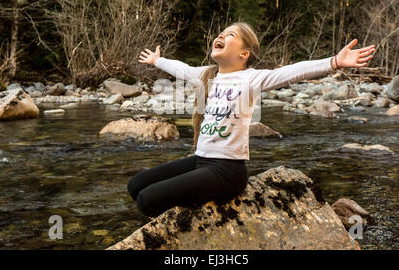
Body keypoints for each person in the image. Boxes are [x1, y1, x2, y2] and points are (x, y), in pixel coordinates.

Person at [127, 21, 375, 218]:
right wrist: (157, 60)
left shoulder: (251, 79)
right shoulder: (207, 75)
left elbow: (292, 72)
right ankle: (191, 199)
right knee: (136, 186)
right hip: (201, 161)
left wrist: (333, 62)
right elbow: (180, 68)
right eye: (222, 33)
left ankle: (191, 218)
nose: (222, 36)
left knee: (147, 200)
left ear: (244, 53)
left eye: (231, 35)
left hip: (227, 171)